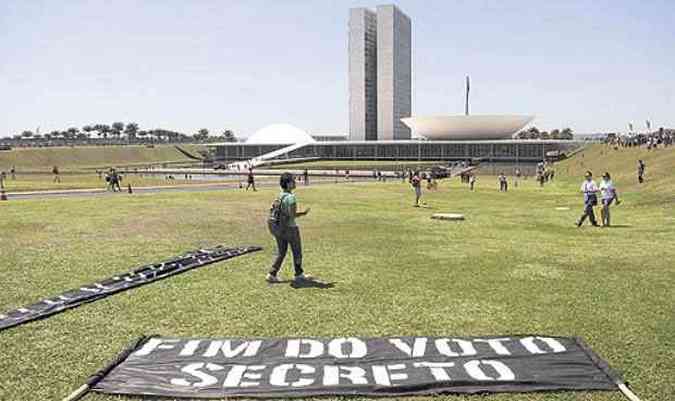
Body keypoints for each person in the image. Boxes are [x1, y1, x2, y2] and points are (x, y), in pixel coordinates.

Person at [267, 173, 311, 283]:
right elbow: (292, 215)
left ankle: (272, 273)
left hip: (278, 228)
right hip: (290, 228)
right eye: (292, 181)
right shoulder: (291, 198)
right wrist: (303, 213)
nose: (295, 182)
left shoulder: (280, 196)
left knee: (281, 252)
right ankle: (299, 274)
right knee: (297, 252)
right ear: (288, 184)